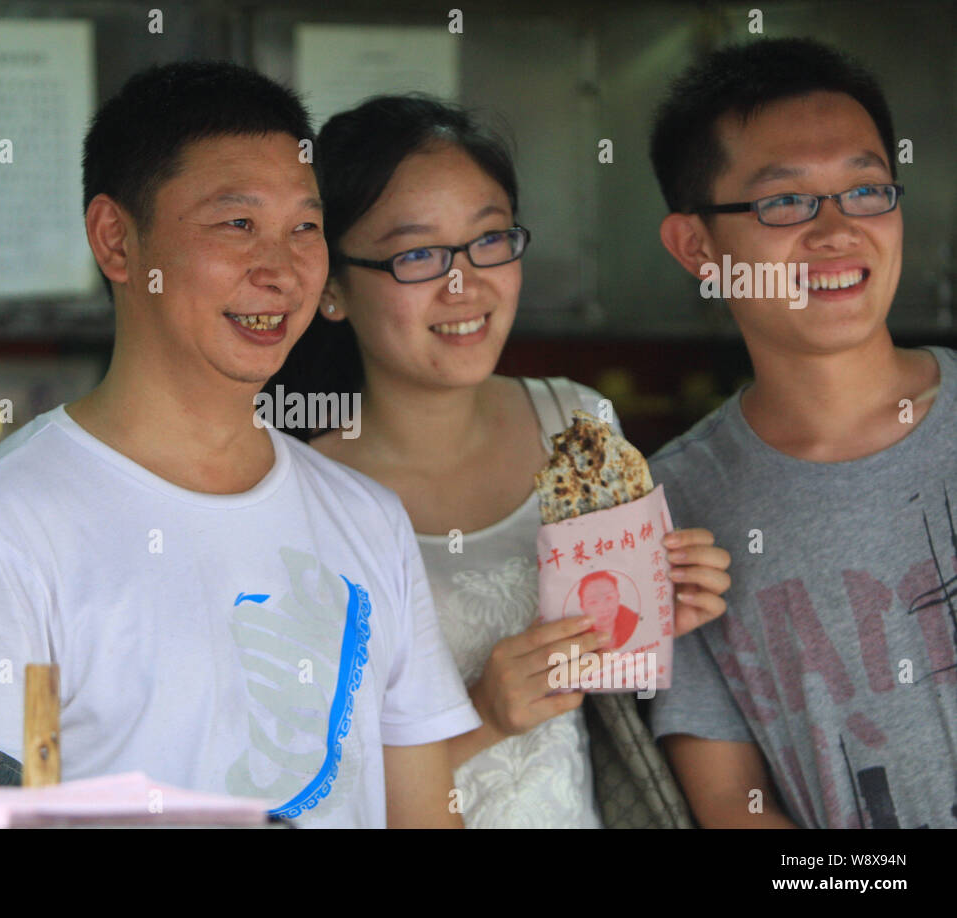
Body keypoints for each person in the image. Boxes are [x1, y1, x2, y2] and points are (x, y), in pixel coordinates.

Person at [0, 61, 482, 829]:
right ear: (116, 241)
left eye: (305, 228)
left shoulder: (367, 520)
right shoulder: (0, 536)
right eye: (236, 224)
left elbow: (423, 816)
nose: (281, 269)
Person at [270, 94, 732, 828]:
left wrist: (665, 603)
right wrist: (484, 714)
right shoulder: (295, 498)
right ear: (331, 284)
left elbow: (621, 655)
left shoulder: (577, 426)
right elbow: (291, 790)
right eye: (417, 254)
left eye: (489, 240)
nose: (466, 285)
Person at [647, 37, 957, 829]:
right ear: (696, 248)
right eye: (784, 202)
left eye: (866, 189)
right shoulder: (670, 509)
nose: (836, 231)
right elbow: (730, 805)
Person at [576, 571, 639, 650]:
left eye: (609, 598)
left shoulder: (638, 624)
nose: (603, 608)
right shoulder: (573, 639)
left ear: (618, 598)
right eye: (593, 602)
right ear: (582, 607)